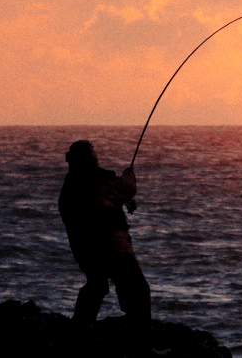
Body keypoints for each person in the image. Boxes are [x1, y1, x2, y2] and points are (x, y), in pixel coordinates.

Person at [59, 140, 151, 354]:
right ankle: (141, 347)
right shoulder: (101, 183)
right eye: (93, 155)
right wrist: (129, 173)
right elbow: (128, 189)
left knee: (96, 286)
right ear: (90, 159)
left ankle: (78, 336)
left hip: (86, 252)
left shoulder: (70, 187)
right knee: (138, 292)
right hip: (113, 249)